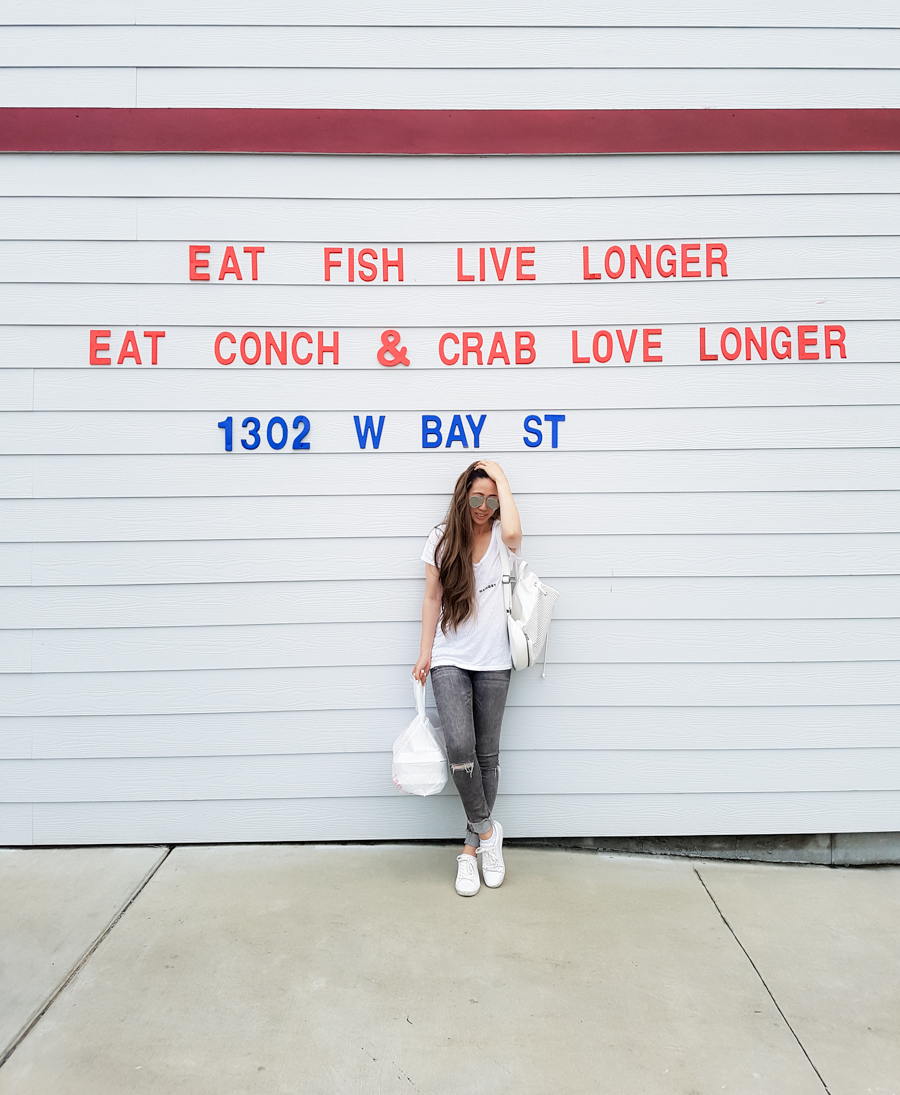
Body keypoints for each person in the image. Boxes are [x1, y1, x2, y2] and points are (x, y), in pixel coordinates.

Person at [413, 459, 523, 896]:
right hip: (450, 656)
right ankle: (490, 831)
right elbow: (431, 598)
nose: (483, 507)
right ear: (463, 497)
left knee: (487, 755)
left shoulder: (500, 535)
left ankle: (470, 850)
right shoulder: (441, 538)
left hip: (495, 659)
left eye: (491, 499)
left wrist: (501, 476)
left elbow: (515, 533)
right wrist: (424, 653)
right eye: (476, 498)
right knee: (460, 748)